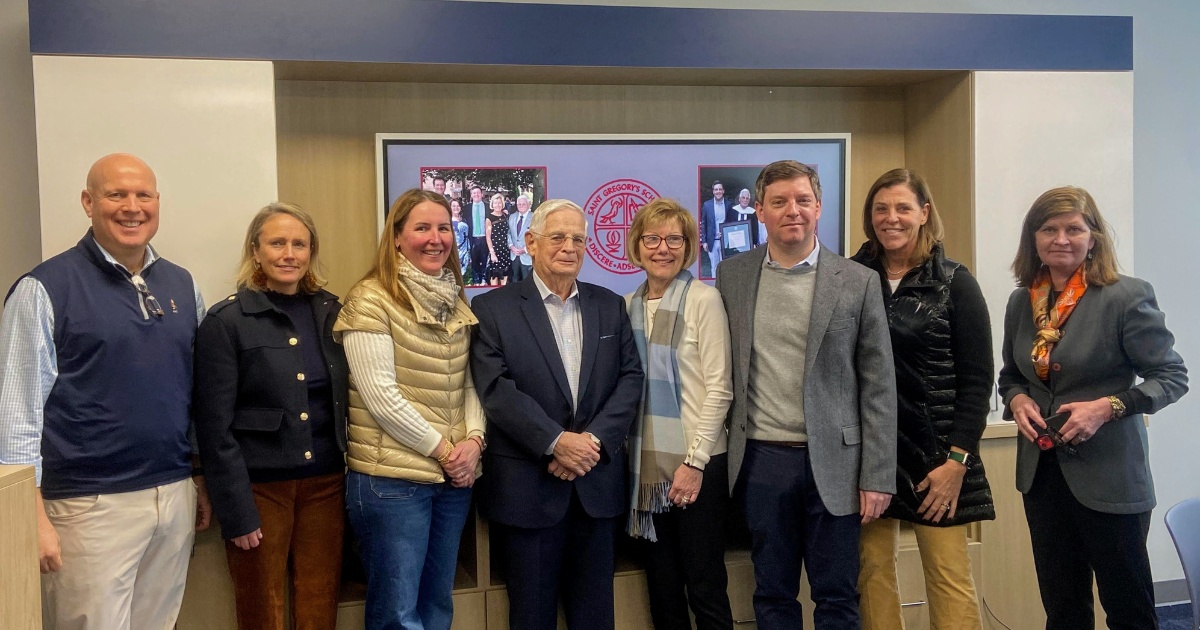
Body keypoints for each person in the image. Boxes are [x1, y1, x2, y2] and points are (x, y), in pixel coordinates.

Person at [0, 153, 211, 629]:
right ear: (88, 202)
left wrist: (197, 477)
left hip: (172, 495)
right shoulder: (44, 289)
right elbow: (17, 415)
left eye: (143, 195)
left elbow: (194, 392)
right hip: (86, 507)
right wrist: (27, 517)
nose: (132, 207)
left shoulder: (182, 284)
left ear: (158, 203)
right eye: (116, 194)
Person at [715, 160, 897, 629]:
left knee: (837, 597)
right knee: (773, 595)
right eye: (778, 202)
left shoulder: (858, 281)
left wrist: (878, 475)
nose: (791, 210)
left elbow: (878, 384)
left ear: (818, 207)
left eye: (802, 200)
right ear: (759, 210)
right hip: (761, 461)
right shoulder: (732, 276)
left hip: (836, 464)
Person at [998, 186, 1187, 630]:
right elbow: (1011, 376)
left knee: (1128, 610)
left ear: (1093, 236)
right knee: (1063, 609)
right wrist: (1017, 398)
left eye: (1073, 229)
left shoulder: (1126, 296)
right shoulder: (1021, 302)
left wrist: (1109, 407)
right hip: (1043, 477)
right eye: (1049, 229)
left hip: (1111, 478)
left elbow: (1171, 378)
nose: (1060, 238)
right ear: (1034, 238)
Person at [470, 199, 644, 630]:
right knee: (532, 616)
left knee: (595, 616)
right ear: (530, 243)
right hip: (529, 489)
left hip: (596, 486)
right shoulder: (492, 308)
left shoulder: (609, 305)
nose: (570, 247)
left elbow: (630, 379)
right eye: (558, 237)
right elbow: (496, 390)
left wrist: (591, 443)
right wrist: (556, 442)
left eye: (579, 239)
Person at [193, 202, 349, 630]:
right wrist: (237, 511)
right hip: (260, 490)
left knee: (320, 601)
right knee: (262, 607)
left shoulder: (331, 312)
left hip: (326, 484)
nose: (289, 253)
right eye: (277, 243)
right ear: (256, 251)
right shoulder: (227, 322)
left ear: (311, 251)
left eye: (300, 244)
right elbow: (214, 428)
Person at [849, 169, 994, 630]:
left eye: (903, 208)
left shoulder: (956, 283)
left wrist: (957, 462)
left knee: (948, 576)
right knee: (871, 572)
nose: (891, 218)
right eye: (881, 209)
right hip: (872, 456)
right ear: (870, 217)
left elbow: (978, 381)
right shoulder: (851, 277)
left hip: (938, 460)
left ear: (924, 213)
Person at [334, 189, 485, 630]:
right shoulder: (369, 299)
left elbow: (471, 382)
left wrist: (474, 443)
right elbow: (380, 398)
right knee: (398, 614)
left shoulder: (455, 299)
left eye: (443, 227)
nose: (435, 238)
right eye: (422, 228)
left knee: (437, 605)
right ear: (396, 238)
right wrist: (446, 452)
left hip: (454, 478)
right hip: (392, 484)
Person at [624, 198, 734, 630]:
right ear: (637, 245)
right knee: (662, 586)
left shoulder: (704, 300)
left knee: (704, 585)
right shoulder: (628, 304)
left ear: (688, 247)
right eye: (652, 238)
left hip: (698, 465)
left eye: (675, 239)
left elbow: (719, 389)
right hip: (648, 468)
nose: (662, 248)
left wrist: (694, 462)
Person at [700, 180, 731, 275]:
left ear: (723, 191)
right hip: (711, 241)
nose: (718, 191)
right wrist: (704, 241)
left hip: (724, 241)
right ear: (713, 191)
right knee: (714, 267)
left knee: (725, 266)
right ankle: (714, 287)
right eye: (716, 189)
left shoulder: (728, 204)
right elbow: (704, 223)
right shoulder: (707, 205)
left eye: (720, 189)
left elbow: (730, 223)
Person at [485, 193, 512, 286]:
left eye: (500, 203)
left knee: (505, 274)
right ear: (492, 204)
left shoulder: (506, 215)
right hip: (495, 250)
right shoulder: (489, 218)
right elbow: (488, 237)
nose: (498, 205)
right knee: (494, 276)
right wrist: (492, 253)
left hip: (505, 250)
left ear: (503, 204)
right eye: (495, 203)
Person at [508, 193, 534, 282]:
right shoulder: (512, 217)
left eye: (523, 204)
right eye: (519, 204)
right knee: (515, 281)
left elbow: (538, 237)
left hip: (527, 256)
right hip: (514, 255)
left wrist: (525, 249)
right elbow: (508, 233)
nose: (521, 206)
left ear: (529, 205)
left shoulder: (534, 218)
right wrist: (511, 246)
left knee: (528, 283)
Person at [466, 186, 489, 284]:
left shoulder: (488, 206)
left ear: (482, 194)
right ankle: (476, 279)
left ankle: (484, 278)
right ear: (471, 195)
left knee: (485, 259)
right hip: (473, 238)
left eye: (478, 192)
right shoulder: (467, 208)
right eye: (474, 193)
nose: (476, 194)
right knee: (474, 260)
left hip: (485, 237)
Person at [451, 198, 472, 284]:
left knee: (464, 277)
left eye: (458, 205)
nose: (456, 207)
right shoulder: (447, 220)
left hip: (465, 250)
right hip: (453, 251)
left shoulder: (464, 219)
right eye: (453, 206)